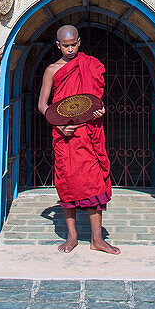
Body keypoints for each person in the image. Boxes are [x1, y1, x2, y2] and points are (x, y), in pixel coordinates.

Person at [38, 24, 120, 254]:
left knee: (94, 183)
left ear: (79, 41)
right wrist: (59, 125)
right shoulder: (52, 70)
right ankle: (72, 237)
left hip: (89, 133)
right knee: (68, 184)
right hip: (65, 136)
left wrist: (100, 111)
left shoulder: (89, 65)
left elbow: (95, 100)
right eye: (66, 45)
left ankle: (97, 239)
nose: (71, 49)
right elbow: (42, 105)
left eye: (74, 44)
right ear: (58, 45)